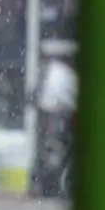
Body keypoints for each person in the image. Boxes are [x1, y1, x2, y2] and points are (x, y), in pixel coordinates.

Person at [34, 40, 77, 197]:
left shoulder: (50, 70)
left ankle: (50, 183)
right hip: (58, 118)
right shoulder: (62, 72)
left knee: (52, 151)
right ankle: (53, 183)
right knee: (56, 151)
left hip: (51, 116)